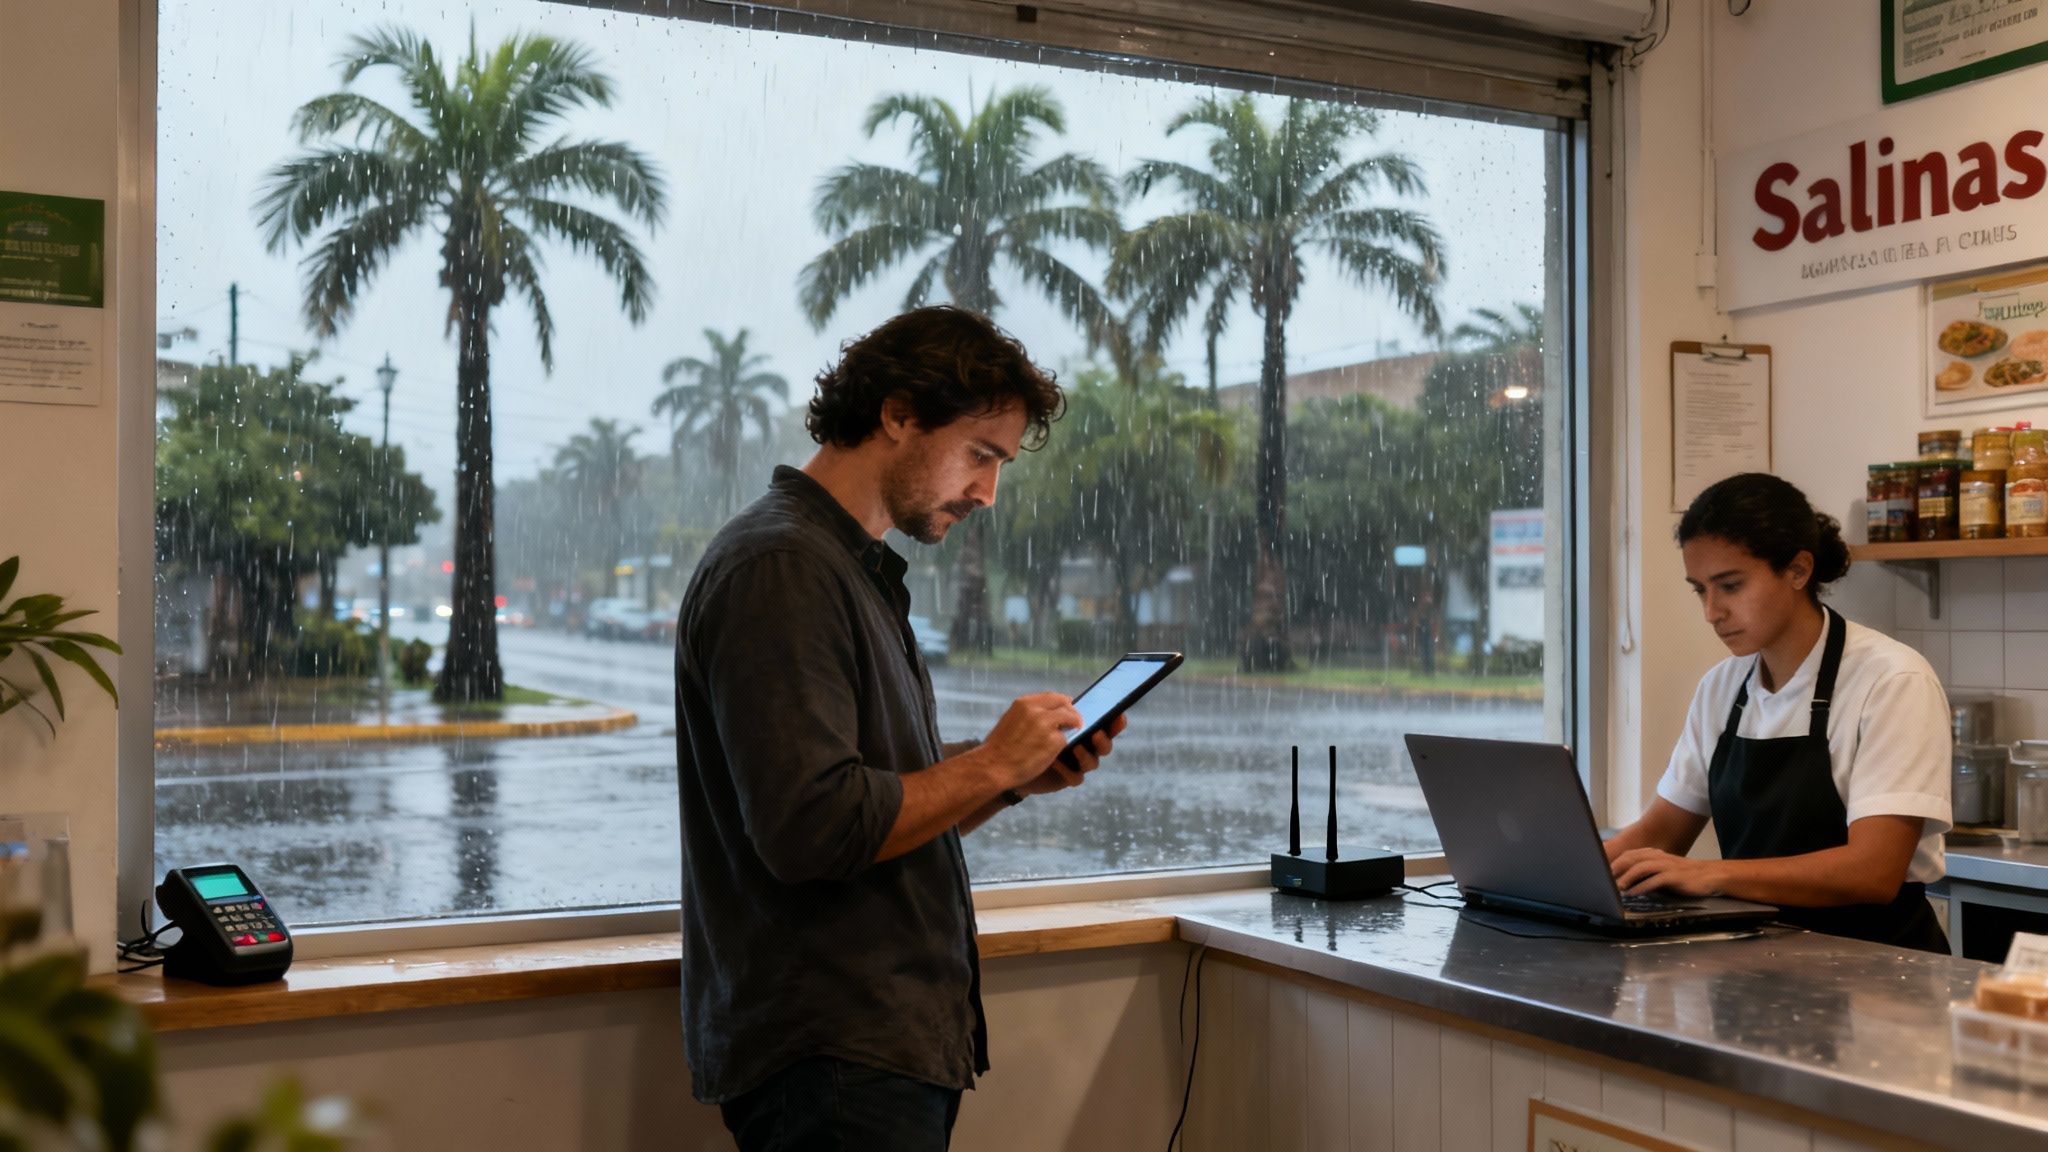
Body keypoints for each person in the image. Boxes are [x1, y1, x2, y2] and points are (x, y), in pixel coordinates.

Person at [673, 305, 1125, 1151]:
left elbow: (873, 800)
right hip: (835, 1056)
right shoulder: (784, 568)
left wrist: (1012, 777)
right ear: (898, 414)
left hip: (863, 1054)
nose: (988, 491)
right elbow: (815, 828)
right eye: (981, 454)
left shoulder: (842, 566)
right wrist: (990, 762)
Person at [1603, 472, 1952, 953]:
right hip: (1760, 962)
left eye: (1729, 585)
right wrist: (1546, 875)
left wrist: (1710, 875)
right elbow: (1660, 833)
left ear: (1798, 570)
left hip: (1879, 971)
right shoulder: (1722, 687)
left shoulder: (1891, 681)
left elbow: (1873, 871)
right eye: (1699, 590)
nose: (1711, 612)